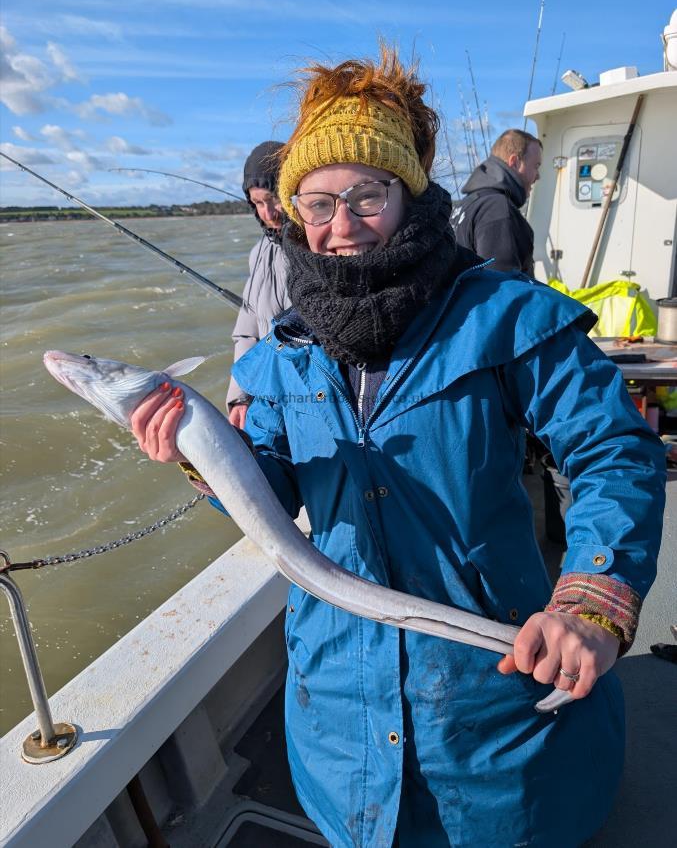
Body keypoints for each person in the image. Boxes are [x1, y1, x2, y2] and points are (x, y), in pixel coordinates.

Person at [130, 47, 665, 848]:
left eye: (365, 196)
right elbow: (272, 497)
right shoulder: (277, 353)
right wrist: (194, 455)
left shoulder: (511, 314)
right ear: (289, 212)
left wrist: (591, 596)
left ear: (408, 192)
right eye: (316, 203)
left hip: (498, 689)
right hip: (335, 703)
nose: (339, 228)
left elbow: (613, 452)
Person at [226, 140, 291, 428]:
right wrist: (241, 396)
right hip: (266, 403)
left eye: (273, 198)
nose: (267, 212)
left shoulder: (322, 250)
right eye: (257, 203)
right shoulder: (258, 253)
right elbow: (247, 333)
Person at [451, 128, 542, 276]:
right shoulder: (497, 209)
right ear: (515, 162)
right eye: (536, 166)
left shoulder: (466, 205)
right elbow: (503, 288)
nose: (538, 176)